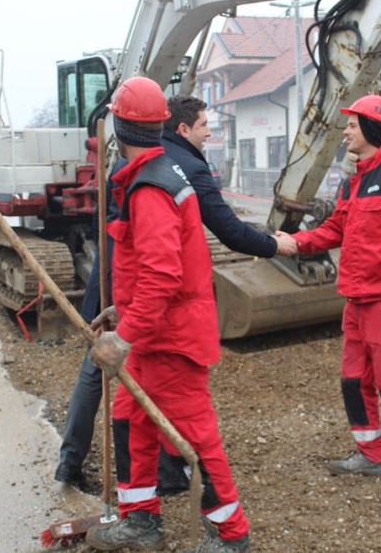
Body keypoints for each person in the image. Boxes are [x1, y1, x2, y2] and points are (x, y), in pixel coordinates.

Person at [55, 94, 284, 493]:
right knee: (136, 409)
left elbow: (153, 265)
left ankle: (220, 525)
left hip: (146, 314)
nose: (209, 131)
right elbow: (161, 259)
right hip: (140, 309)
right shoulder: (161, 173)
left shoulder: (143, 175)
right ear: (176, 127)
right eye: (203, 124)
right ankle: (152, 501)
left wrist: (124, 321)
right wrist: (122, 311)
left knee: (127, 393)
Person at [84, 76, 251, 552]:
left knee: (196, 437)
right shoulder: (157, 175)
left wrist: (124, 335)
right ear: (161, 127)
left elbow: (163, 277)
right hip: (157, 332)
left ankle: (230, 533)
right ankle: (141, 519)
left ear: (118, 128)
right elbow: (153, 270)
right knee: (128, 416)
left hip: (171, 337)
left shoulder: (150, 188)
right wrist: (123, 309)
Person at [274, 94, 381, 477]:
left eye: (352, 125)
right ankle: (370, 454)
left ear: (369, 128)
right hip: (358, 298)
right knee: (353, 378)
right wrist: (293, 241)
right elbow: (335, 229)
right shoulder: (352, 183)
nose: (345, 131)